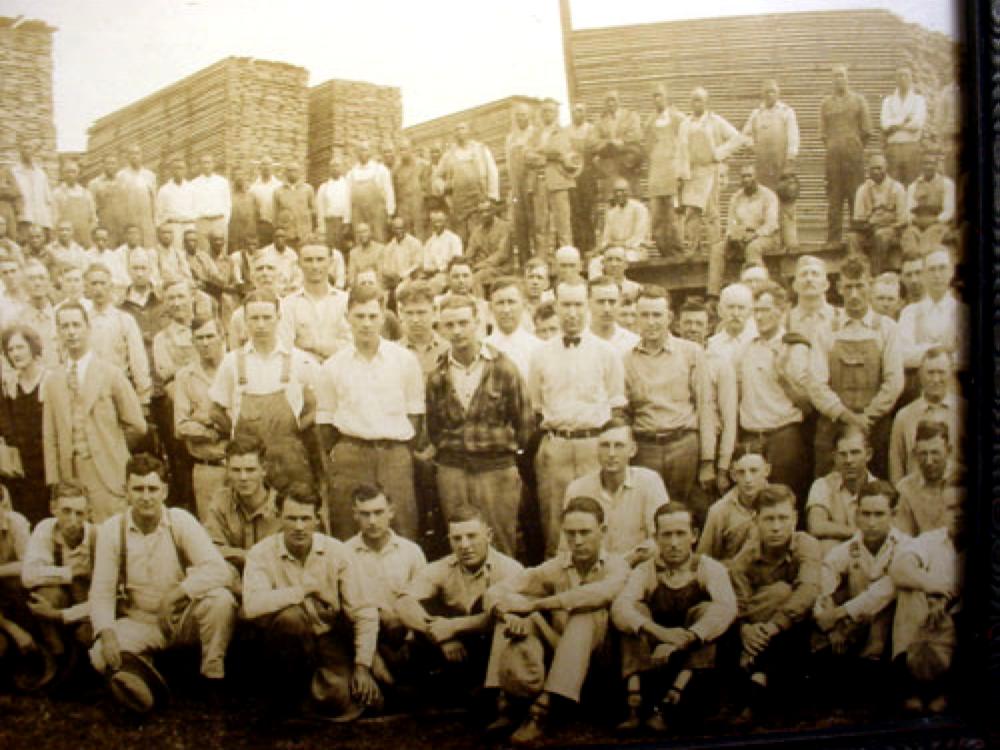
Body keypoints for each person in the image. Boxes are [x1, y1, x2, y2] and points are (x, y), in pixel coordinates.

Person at [88, 454, 236, 712]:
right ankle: (151, 678)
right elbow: (101, 591)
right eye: (138, 489)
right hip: (140, 619)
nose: (146, 497)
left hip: (180, 618)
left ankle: (212, 679)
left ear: (164, 491)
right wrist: (107, 633)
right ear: (126, 492)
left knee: (221, 601)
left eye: (152, 489)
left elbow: (218, 570)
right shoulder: (112, 529)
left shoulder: (179, 521)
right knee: (101, 653)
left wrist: (175, 596)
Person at [484, 497, 629, 746]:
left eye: (585, 532)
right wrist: (507, 612)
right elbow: (496, 592)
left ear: (602, 531)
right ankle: (505, 702)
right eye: (571, 534)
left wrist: (535, 604)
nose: (578, 541)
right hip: (563, 655)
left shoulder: (617, 566)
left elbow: (596, 595)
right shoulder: (556, 566)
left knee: (583, 613)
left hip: (605, 663)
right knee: (513, 610)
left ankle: (541, 711)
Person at [242, 482, 382, 719]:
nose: (299, 527)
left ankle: (309, 696)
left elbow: (364, 611)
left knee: (349, 698)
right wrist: (305, 589)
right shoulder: (261, 553)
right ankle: (287, 695)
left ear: (318, 518)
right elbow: (252, 606)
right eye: (291, 518)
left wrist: (362, 667)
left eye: (306, 518)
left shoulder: (337, 552)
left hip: (327, 639)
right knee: (292, 618)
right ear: (278, 517)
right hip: (282, 645)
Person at [612, 502, 737, 732]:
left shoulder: (709, 568)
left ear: (694, 535)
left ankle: (671, 702)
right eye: (666, 535)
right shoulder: (645, 570)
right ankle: (634, 703)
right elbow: (620, 608)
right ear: (656, 537)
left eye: (680, 534)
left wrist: (686, 639)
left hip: (692, 663)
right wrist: (659, 632)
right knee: (634, 613)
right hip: (652, 659)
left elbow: (727, 608)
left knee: (708, 611)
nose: (673, 543)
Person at [426, 295, 533, 557]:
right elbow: (434, 427)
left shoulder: (503, 368)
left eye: (463, 322)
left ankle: (502, 597)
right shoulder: (437, 374)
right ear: (440, 328)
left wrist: (501, 455)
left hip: (495, 470)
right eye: (449, 325)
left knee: (500, 540)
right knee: (459, 542)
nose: (457, 331)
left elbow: (524, 423)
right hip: (453, 470)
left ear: (478, 323)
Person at [316, 285, 424, 541]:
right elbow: (325, 422)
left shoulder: (405, 360)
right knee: (347, 527)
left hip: (394, 455)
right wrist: (345, 452)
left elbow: (415, 415)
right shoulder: (333, 366)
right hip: (350, 454)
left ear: (383, 316)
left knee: (402, 525)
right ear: (347, 318)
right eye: (359, 316)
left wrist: (396, 449)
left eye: (372, 316)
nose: (366, 324)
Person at [528, 281, 626, 556]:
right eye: (566, 305)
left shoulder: (607, 353)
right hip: (556, 447)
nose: (572, 313)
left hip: (594, 446)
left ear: (588, 306)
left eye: (578, 305)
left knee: (598, 517)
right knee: (554, 522)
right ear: (556, 307)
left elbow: (617, 406)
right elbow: (536, 407)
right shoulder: (540, 355)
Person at [397, 507, 523, 695]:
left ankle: (491, 692)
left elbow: (503, 617)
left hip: (491, 644)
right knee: (423, 609)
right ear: (450, 540)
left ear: (488, 536)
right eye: (457, 538)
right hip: (454, 645)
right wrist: (441, 635)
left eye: (472, 536)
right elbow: (403, 602)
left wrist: (453, 626)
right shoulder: (443, 567)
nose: (464, 545)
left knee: (491, 609)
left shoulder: (509, 569)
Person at [42, 302, 147, 522]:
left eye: (76, 325)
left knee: (112, 535)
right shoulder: (53, 380)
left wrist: (112, 446)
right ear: (58, 332)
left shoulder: (110, 373)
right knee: (78, 540)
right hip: (70, 475)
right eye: (64, 326)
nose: (71, 332)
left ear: (87, 327)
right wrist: (55, 481)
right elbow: (50, 436)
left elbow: (137, 425)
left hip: (107, 471)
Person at [209, 290, 319, 487]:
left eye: (267, 317)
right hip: (248, 465)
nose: (260, 325)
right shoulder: (231, 362)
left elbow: (317, 407)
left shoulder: (300, 360)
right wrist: (237, 430)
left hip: (290, 461)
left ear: (278, 317)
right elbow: (215, 411)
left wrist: (293, 431)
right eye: (254, 318)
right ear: (245, 320)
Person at [729, 484, 821, 718]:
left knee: (784, 594)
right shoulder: (744, 560)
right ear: (756, 520)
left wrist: (772, 626)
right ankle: (760, 685)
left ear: (795, 518)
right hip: (758, 638)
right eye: (769, 519)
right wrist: (746, 630)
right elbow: (740, 606)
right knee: (778, 593)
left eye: (783, 518)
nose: (777, 527)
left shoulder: (805, 544)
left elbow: (808, 589)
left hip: (797, 628)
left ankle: (757, 682)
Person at [808, 255, 903, 478]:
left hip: (875, 426)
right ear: (839, 288)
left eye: (859, 286)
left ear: (869, 285)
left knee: (877, 490)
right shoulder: (825, 330)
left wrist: (867, 416)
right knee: (827, 486)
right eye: (848, 287)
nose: (854, 294)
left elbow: (894, 381)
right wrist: (846, 416)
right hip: (833, 426)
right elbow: (815, 384)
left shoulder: (887, 329)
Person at [625, 285, 713, 502]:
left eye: (657, 315)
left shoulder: (691, 352)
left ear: (670, 317)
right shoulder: (626, 359)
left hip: (683, 446)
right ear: (636, 318)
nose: (651, 321)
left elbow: (705, 407)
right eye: (644, 315)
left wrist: (707, 461)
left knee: (682, 511)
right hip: (646, 448)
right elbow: (624, 413)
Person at [812, 481, 906, 674]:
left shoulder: (905, 547)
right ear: (857, 514)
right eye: (866, 514)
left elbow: (884, 592)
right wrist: (830, 617)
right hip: (857, 622)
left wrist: (839, 613)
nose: (871, 523)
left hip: (893, 630)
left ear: (893, 515)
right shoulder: (851, 546)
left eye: (879, 514)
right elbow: (827, 570)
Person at [889, 486, 964, 714]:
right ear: (943, 511)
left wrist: (946, 597)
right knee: (909, 590)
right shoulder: (931, 540)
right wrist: (931, 586)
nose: (959, 513)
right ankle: (910, 683)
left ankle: (948, 689)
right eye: (952, 508)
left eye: (964, 507)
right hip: (932, 622)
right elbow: (899, 568)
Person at [737, 282, 814, 500]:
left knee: (785, 498)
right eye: (756, 311)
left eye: (766, 310)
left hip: (783, 437)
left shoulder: (795, 347)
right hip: (751, 438)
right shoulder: (747, 347)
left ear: (782, 312)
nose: (759, 317)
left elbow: (808, 405)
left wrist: (782, 373)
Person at [344, 484, 426, 678]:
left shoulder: (411, 551)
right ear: (355, 514)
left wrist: (410, 639)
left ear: (391, 512)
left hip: (406, 635)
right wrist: (372, 655)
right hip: (363, 640)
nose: (372, 521)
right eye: (364, 514)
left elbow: (423, 601)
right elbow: (346, 610)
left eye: (378, 512)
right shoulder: (344, 553)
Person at [21, 481, 96, 686]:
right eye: (66, 511)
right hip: (61, 600)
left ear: (89, 513)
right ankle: (57, 655)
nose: (73, 520)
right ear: (53, 508)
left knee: (87, 642)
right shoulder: (45, 529)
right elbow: (28, 576)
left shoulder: (97, 536)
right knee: (45, 595)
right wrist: (72, 572)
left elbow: (106, 595)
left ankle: (82, 661)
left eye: (80, 513)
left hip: (87, 607)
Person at [563, 419, 668, 563]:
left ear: (632, 450)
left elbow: (660, 539)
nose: (611, 454)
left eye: (619, 446)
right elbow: (565, 548)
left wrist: (626, 562)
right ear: (597, 449)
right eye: (605, 446)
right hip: (593, 574)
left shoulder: (649, 482)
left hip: (638, 569)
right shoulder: (577, 489)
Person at [678, 87, 745, 276]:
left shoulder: (715, 121)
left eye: (700, 100)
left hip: (709, 171)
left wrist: (719, 154)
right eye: (693, 100)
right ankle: (693, 249)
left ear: (707, 102)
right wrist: (681, 174)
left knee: (711, 212)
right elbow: (680, 151)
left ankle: (715, 249)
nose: (696, 104)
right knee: (692, 212)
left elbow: (737, 138)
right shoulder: (685, 124)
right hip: (692, 172)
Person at [677, 298, 738, 502]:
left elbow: (729, 419)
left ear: (709, 327)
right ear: (677, 325)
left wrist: (721, 467)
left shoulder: (720, 364)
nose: (692, 329)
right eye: (687, 323)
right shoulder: (670, 359)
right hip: (681, 446)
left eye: (698, 324)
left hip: (712, 447)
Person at [203, 435, 281, 588]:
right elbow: (210, 548)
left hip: (273, 581)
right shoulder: (220, 500)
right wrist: (248, 556)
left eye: (250, 470)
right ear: (227, 471)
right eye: (236, 470)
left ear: (263, 470)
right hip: (232, 582)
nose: (243, 477)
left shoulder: (281, 505)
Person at [173, 314, 230, 520]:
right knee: (213, 531)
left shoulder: (236, 368)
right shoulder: (185, 377)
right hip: (208, 467)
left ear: (222, 336)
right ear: (193, 342)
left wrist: (203, 416)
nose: (205, 343)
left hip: (241, 466)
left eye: (210, 336)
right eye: (199, 338)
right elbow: (181, 426)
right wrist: (211, 431)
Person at [889, 348, 964, 485]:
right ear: (920, 375)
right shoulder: (904, 417)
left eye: (941, 372)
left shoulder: (965, 412)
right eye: (930, 373)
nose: (936, 379)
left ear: (950, 373)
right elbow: (896, 469)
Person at [84, 262, 153, 407]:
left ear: (110, 286)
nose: (98, 289)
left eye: (102, 283)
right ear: (87, 288)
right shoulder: (83, 321)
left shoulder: (124, 320)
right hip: (89, 392)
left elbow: (138, 359)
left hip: (119, 391)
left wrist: (143, 397)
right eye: (94, 284)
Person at [820, 66, 872, 249]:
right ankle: (833, 240)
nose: (838, 79)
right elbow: (823, 134)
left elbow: (866, 131)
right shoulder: (826, 104)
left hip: (853, 157)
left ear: (847, 78)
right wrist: (836, 147)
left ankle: (856, 238)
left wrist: (853, 146)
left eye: (841, 76)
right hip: (833, 157)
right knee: (834, 198)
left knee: (855, 196)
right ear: (832, 80)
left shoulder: (859, 101)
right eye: (835, 77)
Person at [0, 326, 49, 523]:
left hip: (46, 464)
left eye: (20, 347)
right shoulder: (9, 386)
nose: (15, 354)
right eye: (10, 350)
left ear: (32, 347)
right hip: (20, 469)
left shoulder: (50, 380)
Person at [805, 425, 879, 554]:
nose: (849, 460)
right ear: (835, 457)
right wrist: (857, 532)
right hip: (834, 554)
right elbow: (816, 526)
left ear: (868, 454)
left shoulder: (878, 489)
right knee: (825, 545)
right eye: (842, 454)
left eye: (855, 453)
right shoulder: (823, 485)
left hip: (869, 555)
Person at [278, 241, 351, 363]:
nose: (315, 266)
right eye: (308, 260)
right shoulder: (288, 305)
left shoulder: (346, 302)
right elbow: (286, 348)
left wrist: (313, 346)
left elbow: (352, 346)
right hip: (303, 374)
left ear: (331, 262)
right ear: (299, 264)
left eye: (320, 259)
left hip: (341, 373)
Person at [697, 442, 770, 563]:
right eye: (741, 472)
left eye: (754, 471)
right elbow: (704, 560)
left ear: (767, 470)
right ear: (733, 475)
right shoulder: (719, 511)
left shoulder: (780, 502)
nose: (748, 479)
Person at [896, 247, 967, 372]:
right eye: (932, 269)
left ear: (952, 272)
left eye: (942, 268)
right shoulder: (909, 312)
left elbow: (967, 355)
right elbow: (902, 354)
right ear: (924, 274)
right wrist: (946, 349)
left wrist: (920, 351)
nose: (937, 275)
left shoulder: (964, 312)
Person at [434, 123, 500, 245]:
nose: (459, 132)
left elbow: (492, 171)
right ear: (454, 134)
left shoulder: (480, 149)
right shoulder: (448, 155)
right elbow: (436, 177)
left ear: (469, 131)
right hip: (460, 203)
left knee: (480, 233)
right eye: (456, 129)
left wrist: (492, 196)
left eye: (462, 128)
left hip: (479, 199)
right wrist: (445, 186)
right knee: (461, 237)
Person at [893, 420, 960, 537]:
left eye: (935, 453)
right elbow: (903, 536)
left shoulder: (964, 480)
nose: (929, 461)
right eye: (923, 454)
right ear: (915, 454)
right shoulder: (906, 488)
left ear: (949, 451)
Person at [526, 99, 575, 257]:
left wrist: (540, 152)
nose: (548, 114)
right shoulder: (535, 134)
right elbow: (526, 155)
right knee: (541, 222)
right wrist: (545, 157)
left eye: (551, 111)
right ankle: (542, 258)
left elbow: (561, 151)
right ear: (541, 113)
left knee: (563, 222)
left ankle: (567, 257)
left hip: (559, 180)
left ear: (557, 113)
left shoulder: (563, 132)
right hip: (539, 181)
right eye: (545, 111)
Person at [643, 84, 685, 256]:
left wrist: (681, 172)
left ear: (667, 97)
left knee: (673, 215)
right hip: (656, 173)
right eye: (654, 96)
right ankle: (664, 251)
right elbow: (647, 148)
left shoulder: (678, 119)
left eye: (660, 95)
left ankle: (678, 252)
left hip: (673, 171)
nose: (657, 99)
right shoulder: (649, 122)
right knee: (657, 216)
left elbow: (684, 146)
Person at [848, 154, 907, 274]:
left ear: (886, 168)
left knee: (881, 235)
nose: (876, 171)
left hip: (892, 231)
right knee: (852, 237)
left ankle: (876, 273)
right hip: (870, 230)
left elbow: (903, 219)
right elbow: (858, 218)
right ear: (868, 170)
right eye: (873, 168)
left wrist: (888, 226)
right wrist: (868, 226)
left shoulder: (897, 188)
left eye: (879, 168)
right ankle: (859, 272)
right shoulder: (863, 189)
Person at [742, 79, 800, 193]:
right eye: (767, 92)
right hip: (762, 164)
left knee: (783, 194)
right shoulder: (756, 114)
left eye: (773, 91)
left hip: (781, 162)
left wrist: (790, 158)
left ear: (778, 93)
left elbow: (793, 136)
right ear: (762, 94)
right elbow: (744, 135)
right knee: (763, 194)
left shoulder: (786, 112)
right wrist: (753, 146)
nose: (770, 95)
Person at [484, 277, 541, 379]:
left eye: (511, 302)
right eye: (500, 303)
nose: (506, 310)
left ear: (523, 305)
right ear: (490, 307)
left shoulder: (538, 348)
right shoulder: (482, 349)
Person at [900, 153, 956, 257]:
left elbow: (949, 211)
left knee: (928, 240)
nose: (928, 166)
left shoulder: (947, 184)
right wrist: (914, 220)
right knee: (909, 236)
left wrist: (935, 220)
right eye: (925, 163)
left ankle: (925, 263)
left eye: (931, 163)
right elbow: (908, 210)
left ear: (936, 165)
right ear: (921, 166)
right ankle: (912, 265)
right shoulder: (913, 186)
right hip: (918, 223)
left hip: (938, 223)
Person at [725, 165, 780, 268]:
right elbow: (731, 222)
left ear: (756, 177)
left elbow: (771, 224)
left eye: (749, 176)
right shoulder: (736, 197)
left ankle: (757, 281)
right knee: (717, 249)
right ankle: (714, 284)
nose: (746, 179)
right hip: (743, 236)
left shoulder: (768, 196)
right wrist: (733, 236)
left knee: (753, 248)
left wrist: (755, 234)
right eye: (743, 176)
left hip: (767, 237)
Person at [593, 90, 643, 203]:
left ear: (619, 101)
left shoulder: (630, 116)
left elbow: (637, 135)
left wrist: (622, 141)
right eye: (608, 101)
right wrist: (607, 142)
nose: (611, 103)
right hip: (609, 166)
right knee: (612, 201)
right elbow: (594, 142)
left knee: (631, 199)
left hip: (627, 164)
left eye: (613, 100)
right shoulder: (600, 120)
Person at [880, 67, 927, 186]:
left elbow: (917, 124)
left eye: (906, 75)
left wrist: (895, 124)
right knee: (893, 185)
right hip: (893, 148)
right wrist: (905, 121)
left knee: (912, 184)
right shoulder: (888, 101)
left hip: (912, 147)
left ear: (911, 79)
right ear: (895, 79)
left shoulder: (918, 100)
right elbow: (885, 125)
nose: (903, 78)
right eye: (900, 76)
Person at [506, 103, 538, 261]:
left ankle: (538, 258)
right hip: (516, 185)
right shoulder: (511, 137)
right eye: (518, 115)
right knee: (520, 221)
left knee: (536, 220)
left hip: (532, 183)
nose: (521, 118)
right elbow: (508, 163)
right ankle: (525, 259)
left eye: (524, 114)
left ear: (529, 116)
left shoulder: (535, 134)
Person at [396, 280, 450, 374]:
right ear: (401, 313)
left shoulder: (448, 349)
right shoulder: (393, 353)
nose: (415, 319)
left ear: (434, 311)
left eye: (421, 313)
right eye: (409, 313)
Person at [566, 102, 597, 258]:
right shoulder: (566, 131)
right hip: (571, 176)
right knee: (574, 212)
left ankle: (590, 247)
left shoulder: (591, 129)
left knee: (588, 212)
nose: (577, 114)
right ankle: (577, 247)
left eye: (580, 111)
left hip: (587, 175)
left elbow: (594, 150)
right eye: (575, 111)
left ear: (585, 113)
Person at [348, 140, 395, 243]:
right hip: (358, 215)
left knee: (379, 240)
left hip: (377, 215)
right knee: (360, 241)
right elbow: (348, 198)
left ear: (370, 152)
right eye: (359, 150)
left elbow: (389, 192)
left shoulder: (380, 170)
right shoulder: (352, 173)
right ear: (356, 153)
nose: (362, 153)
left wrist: (390, 213)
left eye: (365, 150)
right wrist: (348, 219)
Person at [11, 136, 54, 241]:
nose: (27, 151)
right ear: (20, 150)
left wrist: (49, 223)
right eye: (24, 147)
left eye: (29, 148)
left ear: (34, 151)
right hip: (24, 221)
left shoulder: (41, 174)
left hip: (40, 221)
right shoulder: (14, 173)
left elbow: (48, 201)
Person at [466, 199, 514, 291]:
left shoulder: (505, 227)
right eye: (481, 212)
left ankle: (479, 303)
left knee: (477, 277)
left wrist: (479, 265)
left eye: (487, 211)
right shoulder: (476, 231)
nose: (484, 214)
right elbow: (470, 252)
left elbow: (502, 254)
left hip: (501, 268)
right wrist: (467, 263)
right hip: (480, 268)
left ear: (493, 211)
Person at [114, 145, 157, 249]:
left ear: (142, 156)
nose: (134, 156)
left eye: (137, 153)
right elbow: (117, 202)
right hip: (129, 220)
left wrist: (154, 221)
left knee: (148, 249)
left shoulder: (150, 175)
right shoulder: (121, 175)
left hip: (146, 221)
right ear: (127, 157)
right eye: (131, 154)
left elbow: (154, 201)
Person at [587, 276, 639, 357]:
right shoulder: (577, 340)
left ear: (619, 303)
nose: (607, 309)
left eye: (612, 302)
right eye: (600, 302)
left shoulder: (633, 343)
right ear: (588, 303)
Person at [706, 283, 756, 366]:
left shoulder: (756, 342)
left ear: (750, 312)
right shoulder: (713, 345)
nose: (735, 313)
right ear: (720, 310)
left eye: (741, 308)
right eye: (730, 307)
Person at [189, 155, 231, 250]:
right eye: (203, 163)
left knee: (220, 252)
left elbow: (228, 204)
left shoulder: (222, 182)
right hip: (202, 222)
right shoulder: (193, 184)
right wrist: (196, 221)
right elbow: (191, 205)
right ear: (200, 165)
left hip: (219, 221)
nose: (206, 165)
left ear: (213, 164)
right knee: (203, 253)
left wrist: (225, 221)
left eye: (208, 162)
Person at [600, 179, 649, 260]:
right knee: (595, 262)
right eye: (616, 191)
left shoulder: (640, 209)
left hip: (635, 251)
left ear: (629, 192)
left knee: (623, 259)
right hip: (614, 251)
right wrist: (604, 247)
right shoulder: (611, 213)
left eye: (623, 191)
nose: (619, 194)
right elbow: (606, 238)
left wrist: (616, 245)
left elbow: (638, 238)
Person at [53, 161, 97, 249]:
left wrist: (91, 235)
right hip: (66, 238)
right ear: (63, 174)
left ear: (78, 174)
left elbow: (93, 218)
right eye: (68, 172)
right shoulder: (57, 193)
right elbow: (54, 219)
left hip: (84, 238)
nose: (70, 175)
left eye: (73, 171)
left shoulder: (86, 193)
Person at [155, 157, 195, 252]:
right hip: (173, 226)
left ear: (185, 170)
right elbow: (159, 212)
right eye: (176, 168)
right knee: (175, 252)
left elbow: (197, 208)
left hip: (189, 225)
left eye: (181, 168)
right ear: (171, 171)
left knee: (189, 252)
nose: (178, 171)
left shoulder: (192, 188)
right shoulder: (164, 189)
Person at [393, 138, 430, 240]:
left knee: (420, 236)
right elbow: (396, 192)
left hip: (419, 208)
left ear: (411, 150)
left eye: (405, 149)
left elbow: (427, 190)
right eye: (400, 150)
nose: (402, 152)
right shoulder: (396, 170)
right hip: (403, 209)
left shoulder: (423, 166)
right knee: (406, 236)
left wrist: (425, 209)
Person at [422, 209, 464, 293]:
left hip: (449, 274)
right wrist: (430, 272)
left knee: (432, 286)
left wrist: (441, 270)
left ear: (445, 222)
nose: (437, 224)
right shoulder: (429, 243)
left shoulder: (453, 239)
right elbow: (426, 266)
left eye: (440, 221)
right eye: (434, 222)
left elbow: (457, 260)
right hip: (432, 275)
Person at [274, 163, 315, 247]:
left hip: (304, 234)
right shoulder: (278, 191)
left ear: (300, 173)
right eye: (289, 170)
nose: (292, 173)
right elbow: (275, 214)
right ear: (285, 173)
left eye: (295, 170)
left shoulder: (308, 189)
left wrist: (312, 232)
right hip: (287, 235)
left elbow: (313, 211)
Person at [316, 154, 350, 252]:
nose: (335, 168)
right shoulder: (324, 187)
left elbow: (349, 205)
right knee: (329, 249)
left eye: (337, 165)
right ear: (329, 169)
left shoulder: (347, 185)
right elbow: (320, 208)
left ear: (342, 167)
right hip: (329, 223)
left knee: (343, 249)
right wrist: (321, 226)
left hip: (343, 223)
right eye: (333, 166)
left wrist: (347, 223)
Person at [249, 156, 284, 247]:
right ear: (259, 168)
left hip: (277, 226)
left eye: (268, 164)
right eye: (263, 164)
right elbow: (252, 209)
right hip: (262, 226)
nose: (266, 167)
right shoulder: (254, 187)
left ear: (272, 167)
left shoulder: (279, 186)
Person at [88, 154, 122, 245]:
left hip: (120, 226)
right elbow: (91, 208)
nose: (111, 166)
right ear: (103, 165)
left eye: (113, 163)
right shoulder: (94, 184)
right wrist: (95, 227)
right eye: (108, 163)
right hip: (103, 226)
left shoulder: (122, 182)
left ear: (117, 165)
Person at [382, 216, 424, 291]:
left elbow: (418, 264)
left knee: (401, 289)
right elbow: (385, 267)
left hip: (412, 279)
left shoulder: (415, 243)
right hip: (394, 280)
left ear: (405, 229)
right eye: (396, 228)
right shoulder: (389, 247)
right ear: (392, 229)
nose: (399, 231)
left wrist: (404, 274)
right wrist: (392, 275)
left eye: (401, 228)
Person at [228, 165, 258, 253]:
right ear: (233, 178)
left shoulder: (252, 196)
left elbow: (257, 216)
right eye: (236, 175)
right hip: (234, 238)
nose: (239, 177)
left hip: (249, 238)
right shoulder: (228, 196)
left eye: (241, 175)